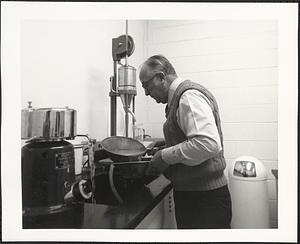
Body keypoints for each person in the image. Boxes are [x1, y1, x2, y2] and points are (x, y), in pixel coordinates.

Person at [139, 55, 232, 229]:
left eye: (146, 85)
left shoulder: (187, 97)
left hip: (203, 201)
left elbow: (207, 144)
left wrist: (164, 156)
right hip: (200, 197)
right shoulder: (180, 99)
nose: (146, 93)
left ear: (160, 77)